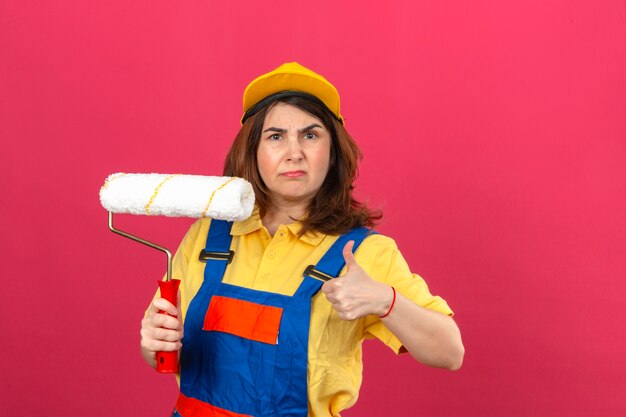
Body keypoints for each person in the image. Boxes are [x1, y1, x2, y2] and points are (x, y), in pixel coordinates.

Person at [140, 62, 464, 417]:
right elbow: (160, 350)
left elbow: (450, 352)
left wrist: (384, 300)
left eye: (310, 135)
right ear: (253, 150)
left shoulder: (361, 253)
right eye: (275, 136)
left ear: (333, 151)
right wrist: (153, 341)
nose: (294, 152)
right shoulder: (211, 231)